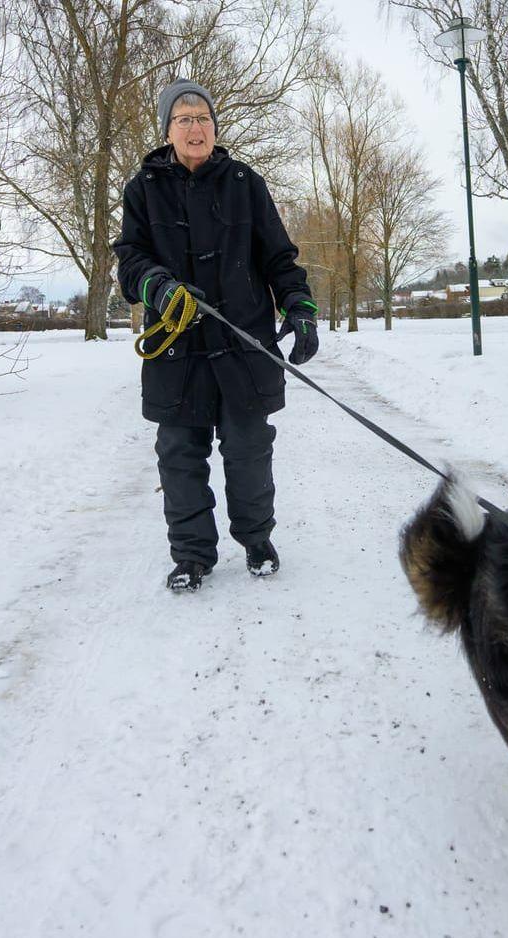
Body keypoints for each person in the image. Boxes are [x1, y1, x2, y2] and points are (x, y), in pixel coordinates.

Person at [113, 78, 318, 593]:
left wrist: (299, 304)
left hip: (244, 346)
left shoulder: (245, 182)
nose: (194, 127)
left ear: (214, 127)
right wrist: (157, 286)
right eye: (183, 119)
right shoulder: (141, 190)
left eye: (202, 117)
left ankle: (256, 540)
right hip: (177, 351)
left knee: (249, 449)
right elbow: (130, 263)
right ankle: (192, 556)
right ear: (167, 131)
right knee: (180, 455)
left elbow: (277, 255)